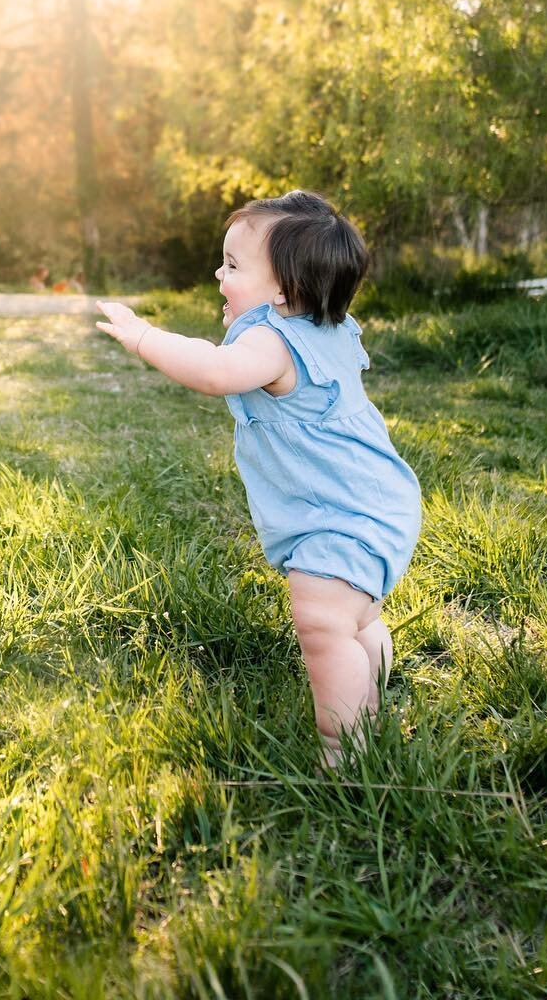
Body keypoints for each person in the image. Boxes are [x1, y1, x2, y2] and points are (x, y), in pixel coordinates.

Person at [96, 191, 420, 765]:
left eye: (234, 266)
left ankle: (346, 749)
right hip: (370, 502)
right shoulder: (327, 326)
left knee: (319, 623)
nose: (219, 275)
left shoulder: (271, 340)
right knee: (352, 615)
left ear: (284, 291)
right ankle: (372, 681)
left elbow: (217, 372)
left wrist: (145, 337)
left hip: (341, 516)